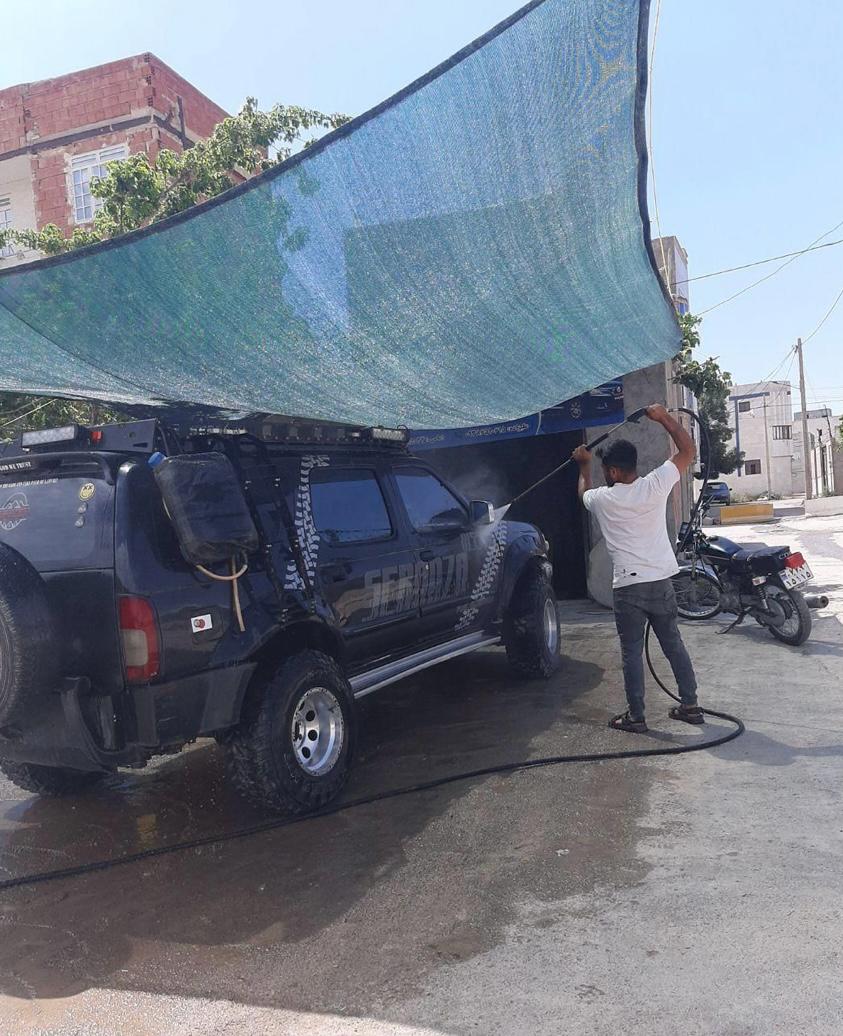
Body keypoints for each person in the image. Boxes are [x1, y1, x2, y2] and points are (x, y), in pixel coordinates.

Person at [572, 404, 703, 733]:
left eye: (605, 470)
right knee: (673, 644)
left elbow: (583, 493)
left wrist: (584, 466)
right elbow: (688, 449)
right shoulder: (656, 484)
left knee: (631, 653)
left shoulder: (603, 498)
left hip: (628, 589)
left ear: (614, 472)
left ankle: (637, 716)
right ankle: (690, 705)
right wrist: (663, 419)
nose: (604, 475)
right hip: (660, 582)